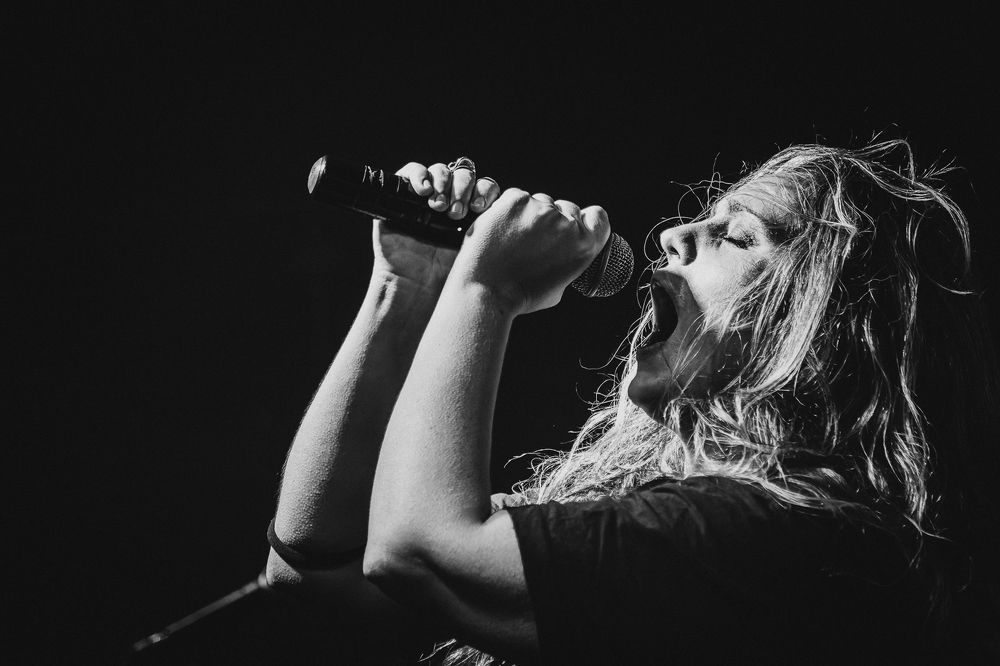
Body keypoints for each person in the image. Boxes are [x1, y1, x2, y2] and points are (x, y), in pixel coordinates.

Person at [264, 142, 999, 665]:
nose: (674, 234)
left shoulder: (788, 537)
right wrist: (408, 286)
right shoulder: (660, 511)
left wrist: (488, 286)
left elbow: (420, 549)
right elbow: (316, 575)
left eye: (737, 235)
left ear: (824, 324)